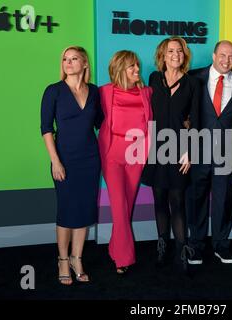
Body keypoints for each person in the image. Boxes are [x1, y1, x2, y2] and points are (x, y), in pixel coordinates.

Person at [41, 46, 103, 285]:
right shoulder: (53, 91)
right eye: (65, 59)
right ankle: (63, 260)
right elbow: (46, 129)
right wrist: (55, 161)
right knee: (66, 211)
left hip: (90, 160)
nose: (68, 62)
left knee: (84, 210)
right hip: (64, 159)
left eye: (74, 58)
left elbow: (102, 123)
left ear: (84, 63)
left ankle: (77, 258)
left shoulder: (95, 92)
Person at [187, 40, 232, 265]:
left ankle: (221, 245)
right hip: (198, 150)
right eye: (222, 55)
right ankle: (195, 245)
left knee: (224, 200)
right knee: (196, 199)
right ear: (214, 56)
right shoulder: (194, 78)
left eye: (231, 56)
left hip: (227, 154)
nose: (226, 60)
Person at [141, 36, 199, 272]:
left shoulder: (192, 83)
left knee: (177, 201)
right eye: (171, 51)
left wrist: (191, 152)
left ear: (184, 56)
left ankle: (182, 251)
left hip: (179, 149)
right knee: (159, 200)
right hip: (156, 148)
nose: (175, 55)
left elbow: (196, 119)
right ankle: (162, 245)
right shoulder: (154, 79)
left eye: (179, 51)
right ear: (162, 55)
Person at [98, 50, 152, 275]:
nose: (137, 70)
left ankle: (115, 248)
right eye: (132, 67)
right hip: (113, 156)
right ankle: (123, 258)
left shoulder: (147, 92)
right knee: (119, 207)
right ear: (120, 69)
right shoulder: (104, 92)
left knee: (126, 208)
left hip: (136, 156)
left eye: (137, 65)